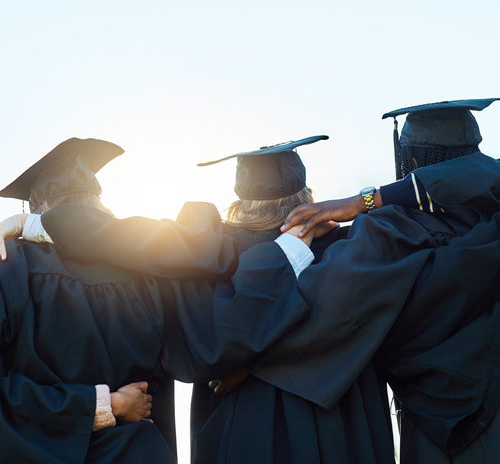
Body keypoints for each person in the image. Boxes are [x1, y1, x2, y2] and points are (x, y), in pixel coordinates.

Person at [0, 137, 313, 463]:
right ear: (97, 206)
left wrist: (92, 406)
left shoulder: (10, 267)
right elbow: (215, 337)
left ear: (36, 207)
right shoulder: (148, 272)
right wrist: (290, 249)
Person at [272, 98, 500, 463]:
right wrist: (370, 199)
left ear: (411, 164)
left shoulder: (389, 232)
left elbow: (326, 310)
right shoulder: (492, 226)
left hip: (437, 432)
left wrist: (245, 354)